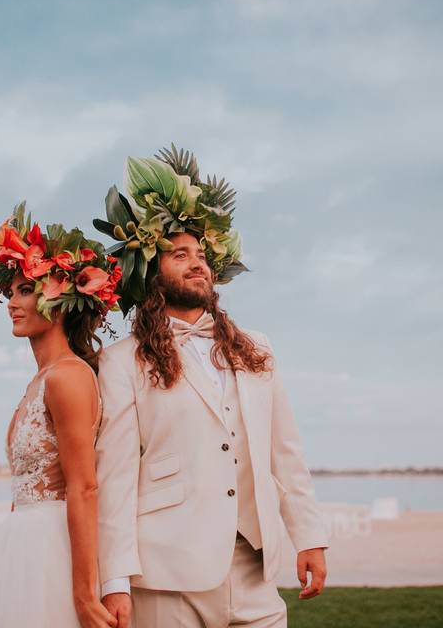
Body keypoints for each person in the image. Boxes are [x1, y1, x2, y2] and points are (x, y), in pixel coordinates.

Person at [91, 147, 329, 627]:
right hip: (167, 570)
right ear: (148, 273)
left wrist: (310, 535)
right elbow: (113, 475)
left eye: (201, 255)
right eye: (180, 255)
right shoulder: (120, 362)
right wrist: (114, 579)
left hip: (255, 565)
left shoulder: (255, 348)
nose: (197, 264)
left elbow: (285, 451)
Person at [0, 203, 124, 628]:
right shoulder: (41, 380)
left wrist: (85, 596)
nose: (11, 304)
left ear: (60, 298)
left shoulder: (68, 377)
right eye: (10, 293)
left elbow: (84, 487)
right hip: (21, 548)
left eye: (24, 291)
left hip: (53, 551)